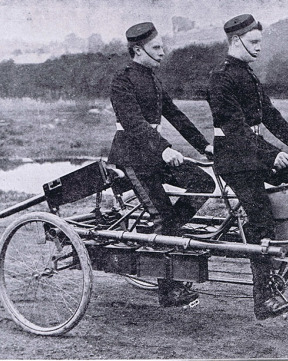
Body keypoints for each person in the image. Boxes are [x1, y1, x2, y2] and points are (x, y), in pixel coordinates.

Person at [206, 14, 288, 320]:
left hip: (251, 153)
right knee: (261, 219)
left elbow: (271, 115)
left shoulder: (248, 74)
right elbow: (236, 129)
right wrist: (270, 156)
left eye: (260, 42)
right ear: (235, 41)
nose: (258, 48)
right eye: (253, 42)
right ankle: (263, 298)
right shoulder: (222, 77)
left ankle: (276, 253)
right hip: (234, 159)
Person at [108, 22, 215, 308]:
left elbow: (175, 115)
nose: (163, 52)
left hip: (154, 155)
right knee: (164, 216)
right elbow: (133, 124)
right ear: (138, 50)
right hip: (131, 158)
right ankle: (169, 291)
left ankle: (164, 234)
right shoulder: (122, 81)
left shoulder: (153, 79)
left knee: (204, 184)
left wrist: (203, 145)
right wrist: (165, 148)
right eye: (156, 48)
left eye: (162, 46)